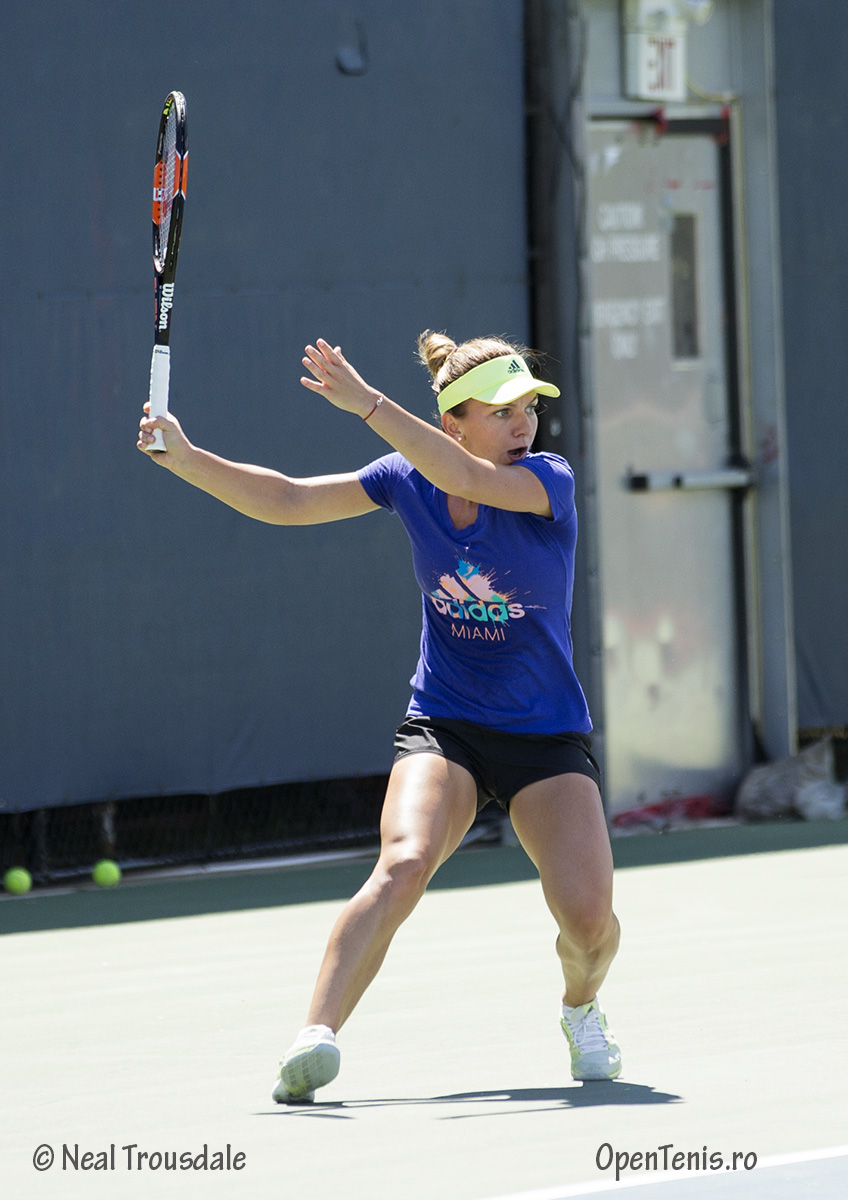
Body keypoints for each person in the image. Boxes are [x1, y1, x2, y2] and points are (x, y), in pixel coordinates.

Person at [138, 331, 622, 1102]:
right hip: (447, 723)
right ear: (454, 420)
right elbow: (291, 499)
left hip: (543, 736)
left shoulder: (547, 480)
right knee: (401, 864)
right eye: (503, 412)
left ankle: (581, 1008)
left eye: (530, 408)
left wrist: (366, 402)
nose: (524, 424)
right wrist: (188, 459)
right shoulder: (406, 478)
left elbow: (464, 473)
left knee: (590, 923)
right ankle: (314, 1037)